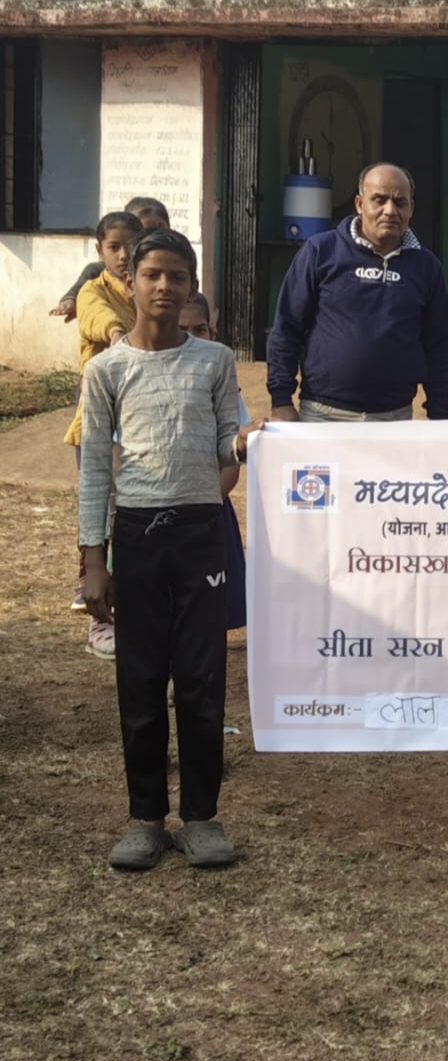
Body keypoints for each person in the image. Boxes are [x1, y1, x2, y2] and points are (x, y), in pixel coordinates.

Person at [79, 228, 262, 871]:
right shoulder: (106, 371)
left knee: (202, 679)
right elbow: (94, 470)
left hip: (200, 532)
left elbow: (223, 445)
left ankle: (202, 817)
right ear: (129, 281)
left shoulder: (214, 361)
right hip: (137, 535)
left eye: (177, 276)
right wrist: (94, 561)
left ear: (191, 286)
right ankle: (146, 819)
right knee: (140, 679)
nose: (164, 287)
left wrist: (249, 443)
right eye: (152, 274)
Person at [267, 162, 448, 423]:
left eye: (400, 202)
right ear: (359, 204)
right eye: (379, 200)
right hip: (323, 416)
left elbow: (437, 345)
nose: (390, 210)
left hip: (393, 419)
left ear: (411, 209)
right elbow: (287, 328)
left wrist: (439, 414)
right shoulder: (321, 252)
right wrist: (281, 400)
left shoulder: (427, 268)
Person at [65, 210, 145, 659]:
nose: (122, 255)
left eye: (129, 246)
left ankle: (132, 615)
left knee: (130, 520)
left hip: (140, 426)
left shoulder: (146, 287)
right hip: (98, 427)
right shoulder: (94, 291)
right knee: (100, 516)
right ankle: (98, 619)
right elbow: (96, 317)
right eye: (113, 247)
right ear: (100, 251)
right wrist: (119, 334)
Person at [180, 292, 248, 632]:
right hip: (156, 515)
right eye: (182, 330)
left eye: (201, 329)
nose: (193, 338)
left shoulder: (225, 386)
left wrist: (205, 504)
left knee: (210, 606)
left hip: (210, 511)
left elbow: (232, 461)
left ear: (213, 332)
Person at [49, 197, 170, 323]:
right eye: (146, 233)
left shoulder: (176, 265)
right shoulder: (98, 275)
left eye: (160, 231)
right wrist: (71, 299)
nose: (153, 238)